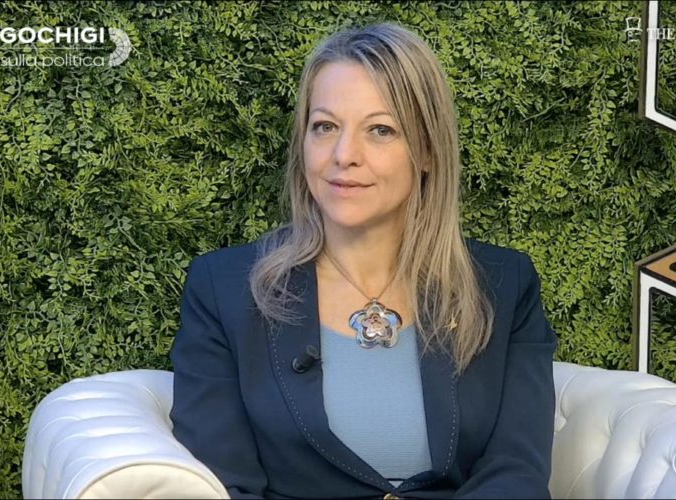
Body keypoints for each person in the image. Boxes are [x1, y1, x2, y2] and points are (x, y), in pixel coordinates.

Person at [170, 21, 558, 499]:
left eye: (380, 130)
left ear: (427, 151)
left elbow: (516, 471)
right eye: (325, 127)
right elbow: (223, 483)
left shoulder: (504, 285)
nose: (344, 155)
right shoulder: (224, 289)